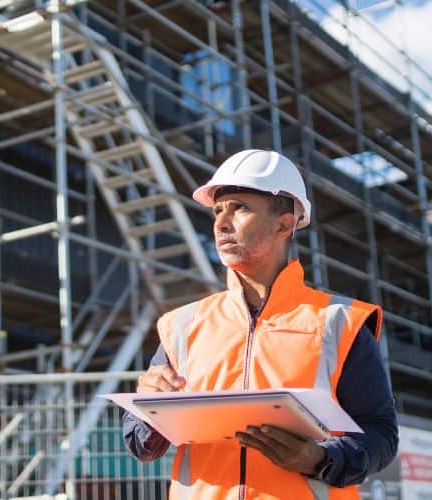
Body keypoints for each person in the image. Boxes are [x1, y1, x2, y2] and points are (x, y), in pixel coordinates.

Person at [123, 150, 398, 499]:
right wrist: (149, 409)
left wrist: (319, 459)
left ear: (284, 225)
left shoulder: (339, 322)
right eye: (217, 211)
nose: (222, 223)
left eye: (239, 208)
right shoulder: (183, 325)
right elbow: (139, 445)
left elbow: (380, 435)